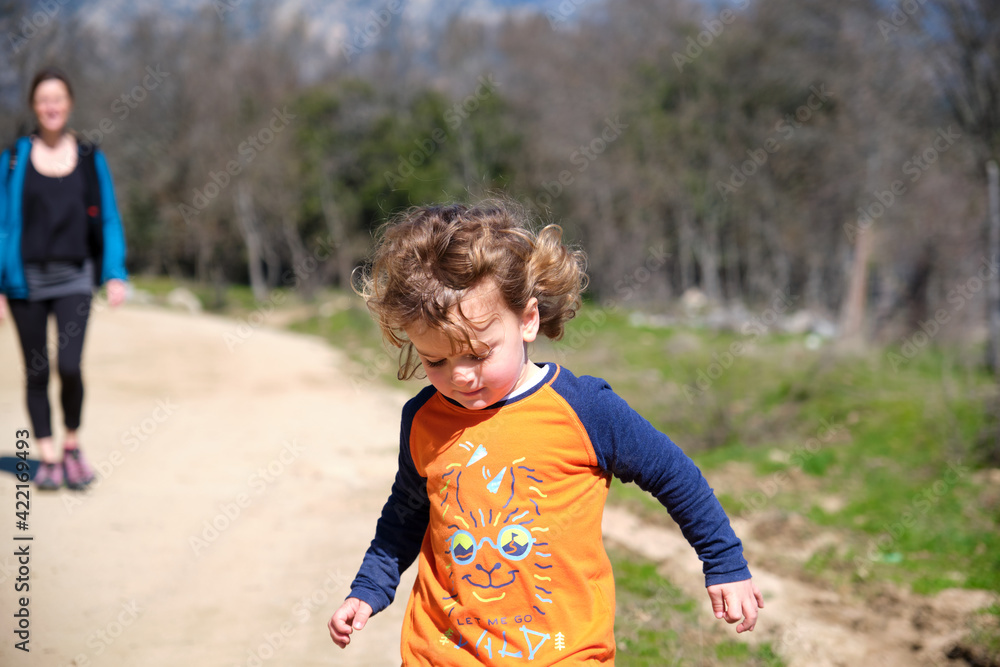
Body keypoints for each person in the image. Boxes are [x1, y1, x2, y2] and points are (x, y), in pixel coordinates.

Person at [328, 201, 763, 665]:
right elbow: (405, 514)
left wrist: (725, 563)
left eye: (477, 354)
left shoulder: (585, 410)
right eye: (435, 360)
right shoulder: (423, 418)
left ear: (527, 320)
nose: (460, 376)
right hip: (442, 653)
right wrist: (369, 588)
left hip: (564, 653)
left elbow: (674, 474)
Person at [0, 67, 127, 491]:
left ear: (69, 103)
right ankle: (49, 458)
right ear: (34, 106)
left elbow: (109, 218)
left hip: (75, 276)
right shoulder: (13, 159)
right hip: (26, 281)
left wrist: (114, 273)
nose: (51, 106)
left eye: (57, 98)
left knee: (69, 366)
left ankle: (72, 445)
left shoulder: (90, 158)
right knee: (36, 372)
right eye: (43, 99)